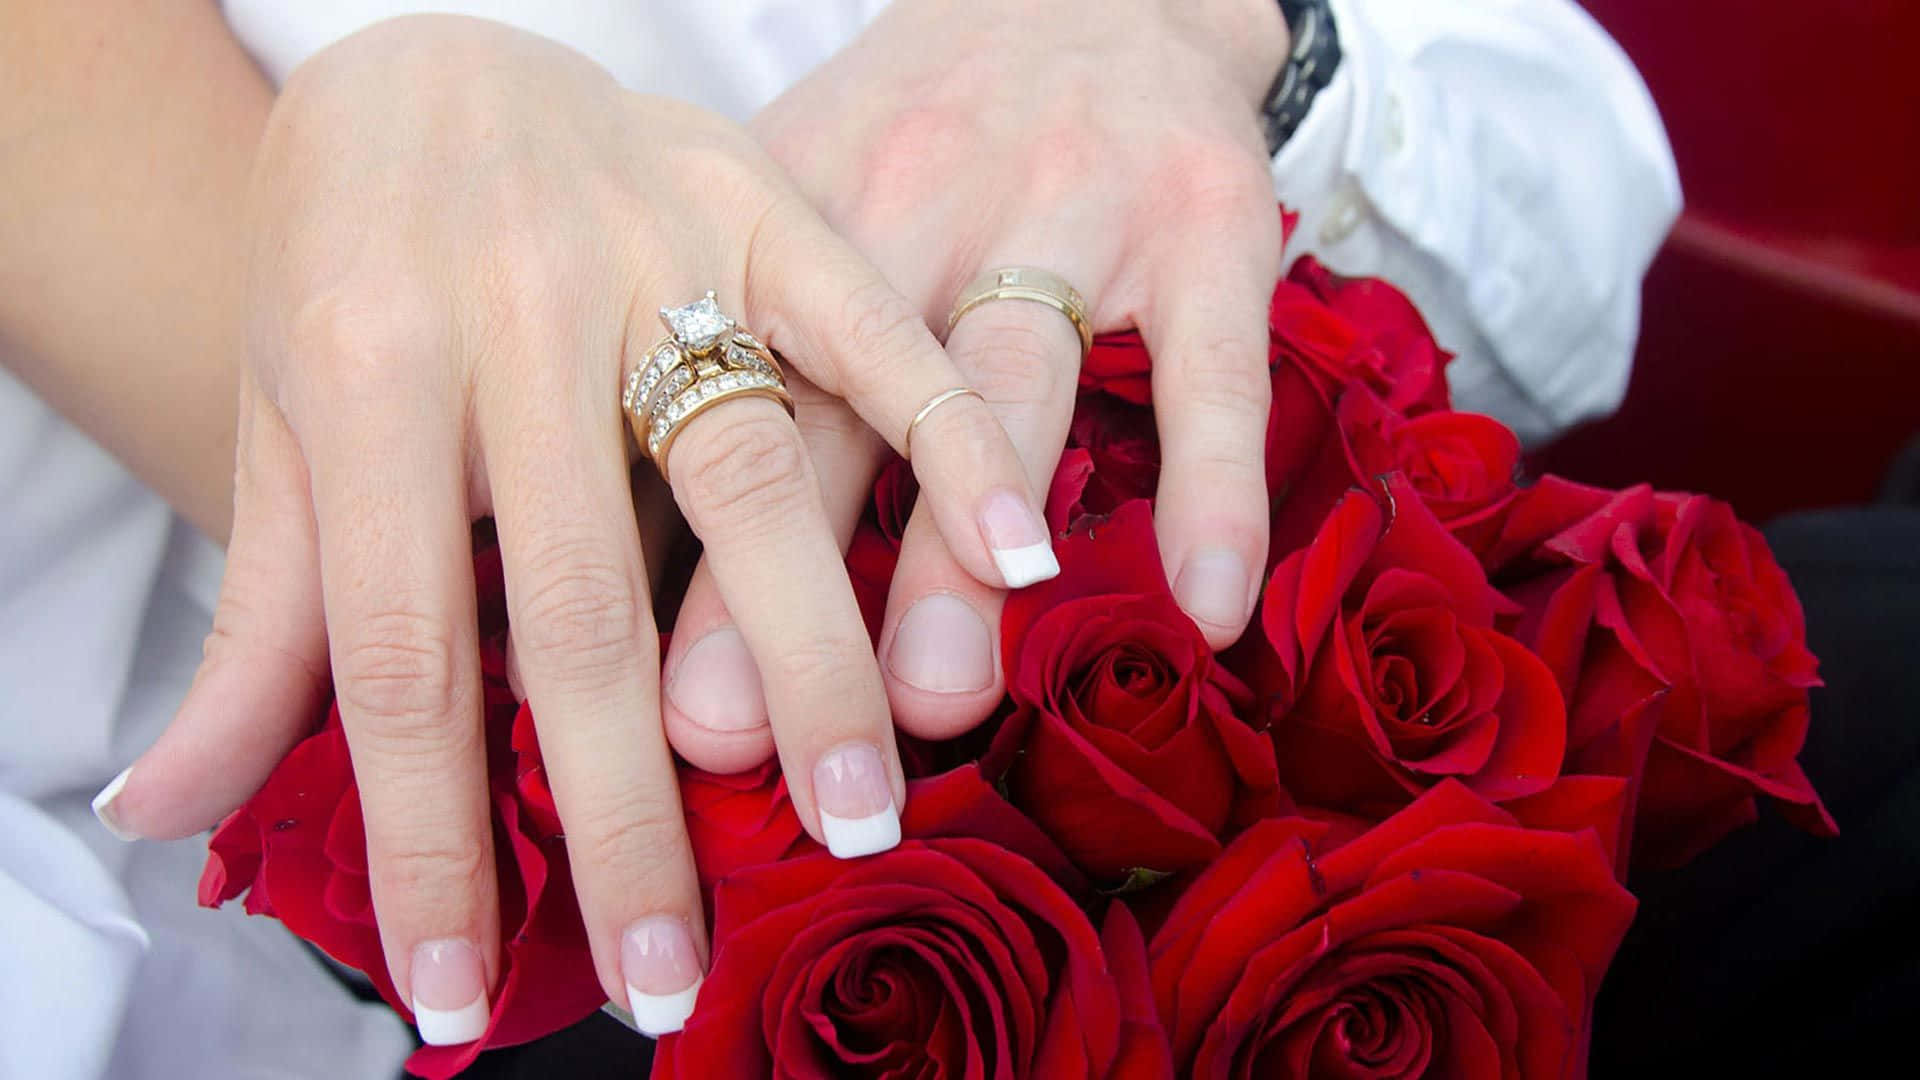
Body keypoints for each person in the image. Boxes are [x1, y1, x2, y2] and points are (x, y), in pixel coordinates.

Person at [0, 0, 1678, 1072]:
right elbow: (521, 545)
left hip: (1323, 824)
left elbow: (1585, 209)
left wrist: (1188, 35)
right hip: (606, 912)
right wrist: (400, 101)